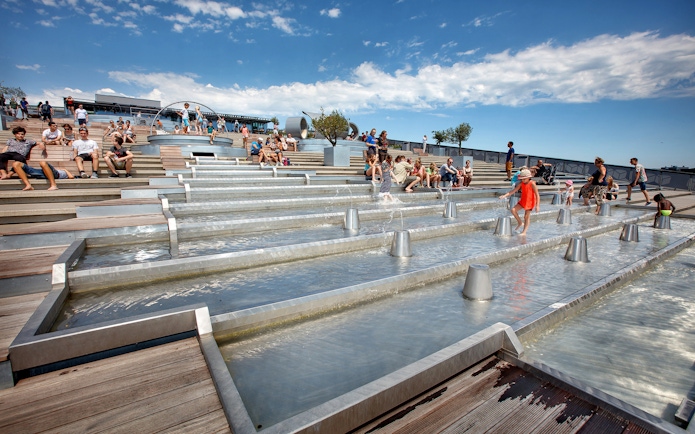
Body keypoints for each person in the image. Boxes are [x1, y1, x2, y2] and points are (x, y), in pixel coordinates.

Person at [499, 168, 540, 236]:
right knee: (513, 210)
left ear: (528, 178)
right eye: (522, 179)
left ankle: (524, 231)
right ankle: (520, 222)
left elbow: (537, 195)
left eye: (524, 179)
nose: (523, 180)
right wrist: (504, 195)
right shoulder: (521, 183)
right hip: (523, 200)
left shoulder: (532, 183)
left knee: (526, 217)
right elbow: (513, 191)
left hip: (530, 201)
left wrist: (537, 205)